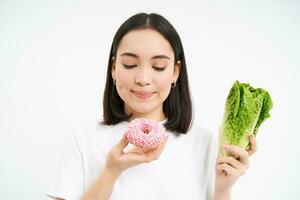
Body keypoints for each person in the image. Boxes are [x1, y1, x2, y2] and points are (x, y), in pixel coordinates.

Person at [46, 13, 257, 200]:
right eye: (129, 64)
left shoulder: (205, 142)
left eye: (158, 67)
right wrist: (111, 171)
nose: (143, 78)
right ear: (113, 68)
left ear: (175, 72)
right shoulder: (84, 139)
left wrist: (223, 189)